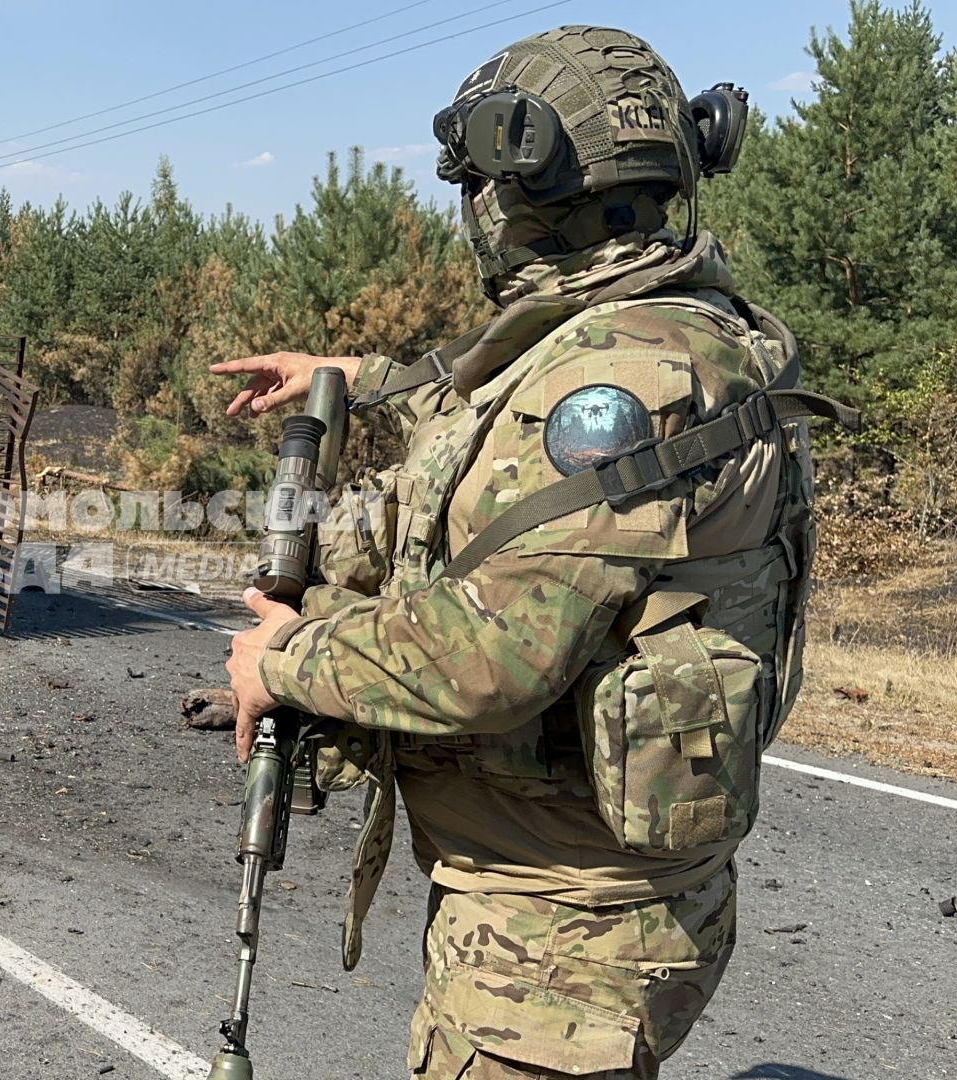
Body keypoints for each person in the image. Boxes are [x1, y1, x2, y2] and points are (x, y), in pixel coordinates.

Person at [212, 25, 852, 1080]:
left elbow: (489, 657)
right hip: (593, 900)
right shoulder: (669, 330)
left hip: (561, 942)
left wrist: (280, 657)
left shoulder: (616, 388)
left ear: (515, 198)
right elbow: (497, 416)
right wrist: (354, 373)